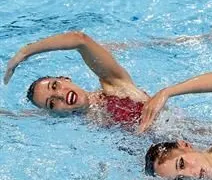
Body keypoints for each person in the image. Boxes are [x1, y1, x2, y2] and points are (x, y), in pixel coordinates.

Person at [3, 31, 148, 129]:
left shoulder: (115, 86)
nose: (60, 95)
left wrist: (25, 52)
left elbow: (80, 40)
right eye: (52, 103)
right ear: (55, 114)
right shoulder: (81, 119)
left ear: (65, 79)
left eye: (55, 86)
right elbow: (17, 115)